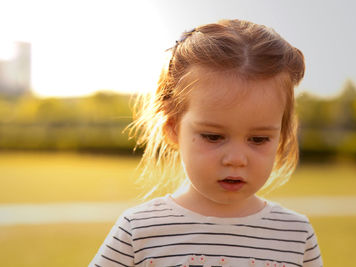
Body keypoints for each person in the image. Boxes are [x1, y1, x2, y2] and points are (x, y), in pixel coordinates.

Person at [90, 19, 322, 267]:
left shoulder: (296, 236)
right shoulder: (140, 231)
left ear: (281, 137)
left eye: (258, 139)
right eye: (213, 136)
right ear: (173, 129)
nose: (236, 159)